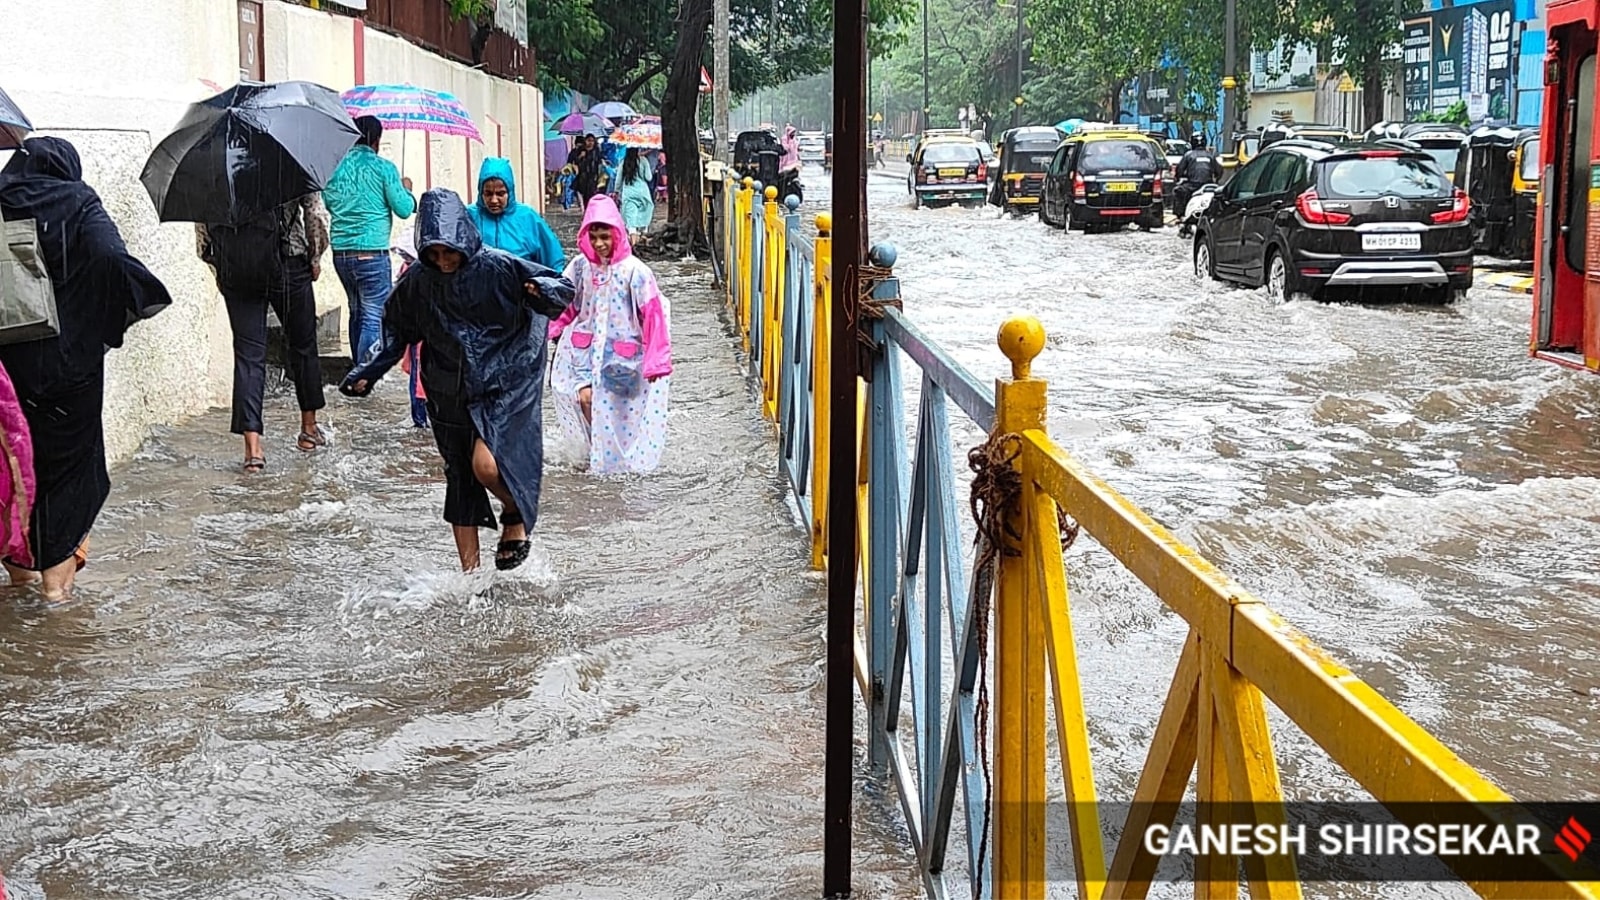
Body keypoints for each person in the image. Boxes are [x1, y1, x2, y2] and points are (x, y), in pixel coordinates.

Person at [341, 189, 574, 572]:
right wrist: (368, 373)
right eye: (434, 253)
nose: (444, 261)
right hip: (447, 390)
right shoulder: (418, 281)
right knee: (460, 480)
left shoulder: (498, 267)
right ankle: (471, 579)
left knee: (485, 465)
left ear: (465, 238)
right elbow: (396, 331)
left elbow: (561, 290)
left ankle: (515, 510)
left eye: (450, 251)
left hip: (505, 380)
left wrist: (542, 291)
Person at [0, 137, 172, 600]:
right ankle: (55, 598)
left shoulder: (1, 198)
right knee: (68, 476)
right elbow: (113, 260)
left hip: (8, 370)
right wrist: (108, 319)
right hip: (69, 368)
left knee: (18, 467)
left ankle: (20, 582)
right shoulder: (77, 201)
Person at [196, 192, 331, 472]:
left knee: (248, 357)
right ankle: (308, 430)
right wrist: (315, 257)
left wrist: (219, 268)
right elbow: (315, 213)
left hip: (238, 270)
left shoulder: (216, 167)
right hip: (289, 264)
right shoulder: (292, 156)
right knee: (302, 346)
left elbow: (203, 229)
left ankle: (253, 451)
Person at [548, 195, 671, 475]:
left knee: (622, 415)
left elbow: (652, 317)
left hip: (622, 358)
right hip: (585, 354)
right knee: (586, 400)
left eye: (605, 236)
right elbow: (567, 302)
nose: (600, 244)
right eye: (594, 237)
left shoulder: (635, 272)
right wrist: (548, 328)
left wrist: (656, 361)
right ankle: (595, 452)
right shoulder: (580, 266)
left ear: (617, 233)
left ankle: (618, 464)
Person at [323, 115, 416, 366]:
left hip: (341, 253)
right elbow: (404, 209)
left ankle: (357, 366)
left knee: (356, 310)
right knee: (374, 315)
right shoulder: (384, 168)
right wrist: (406, 189)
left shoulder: (335, 167)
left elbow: (329, 203)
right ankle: (366, 372)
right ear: (376, 140)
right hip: (372, 253)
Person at [466, 157, 566, 271]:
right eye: (488, 193)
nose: (494, 200)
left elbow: (553, 261)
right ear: (481, 192)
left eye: (500, 194)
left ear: (510, 191)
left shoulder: (528, 218)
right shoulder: (469, 217)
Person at [1173, 132, 1222, 224]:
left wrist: (1178, 178)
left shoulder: (1188, 155)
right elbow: (1219, 171)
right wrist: (1216, 180)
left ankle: (1180, 216)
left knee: (1177, 191)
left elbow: (1179, 170)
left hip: (1193, 186)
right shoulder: (1210, 155)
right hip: (1208, 185)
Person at [618, 147, 656, 240]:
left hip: (628, 193)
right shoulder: (643, 160)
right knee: (644, 214)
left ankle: (633, 242)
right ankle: (643, 236)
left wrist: (616, 191)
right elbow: (648, 177)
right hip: (643, 192)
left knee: (631, 219)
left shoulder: (623, 162)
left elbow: (618, 180)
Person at [572, 135, 603, 208]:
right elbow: (575, 161)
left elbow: (599, 161)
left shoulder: (596, 150)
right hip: (583, 176)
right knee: (584, 195)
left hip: (593, 176)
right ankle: (586, 209)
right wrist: (581, 156)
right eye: (589, 140)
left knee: (591, 194)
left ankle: (590, 209)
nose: (590, 143)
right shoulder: (581, 150)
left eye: (592, 141)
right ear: (585, 141)